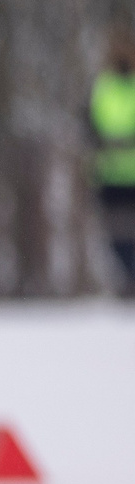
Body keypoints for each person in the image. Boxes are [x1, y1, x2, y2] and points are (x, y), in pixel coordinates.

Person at [94, 29, 135, 293]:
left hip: (129, 173)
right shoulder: (102, 87)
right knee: (115, 231)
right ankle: (128, 277)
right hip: (109, 174)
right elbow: (88, 126)